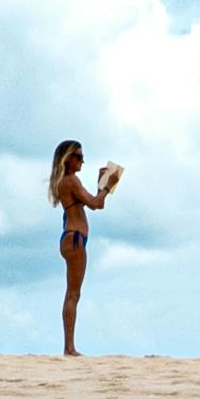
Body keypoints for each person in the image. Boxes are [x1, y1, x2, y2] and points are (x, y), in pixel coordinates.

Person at [49, 139, 122, 356]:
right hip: (76, 238)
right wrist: (107, 186)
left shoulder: (64, 181)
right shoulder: (71, 180)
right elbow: (96, 204)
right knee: (73, 294)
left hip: (71, 237)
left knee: (72, 293)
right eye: (78, 156)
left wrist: (102, 186)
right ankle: (69, 347)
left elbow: (93, 202)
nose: (82, 161)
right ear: (68, 159)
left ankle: (69, 346)